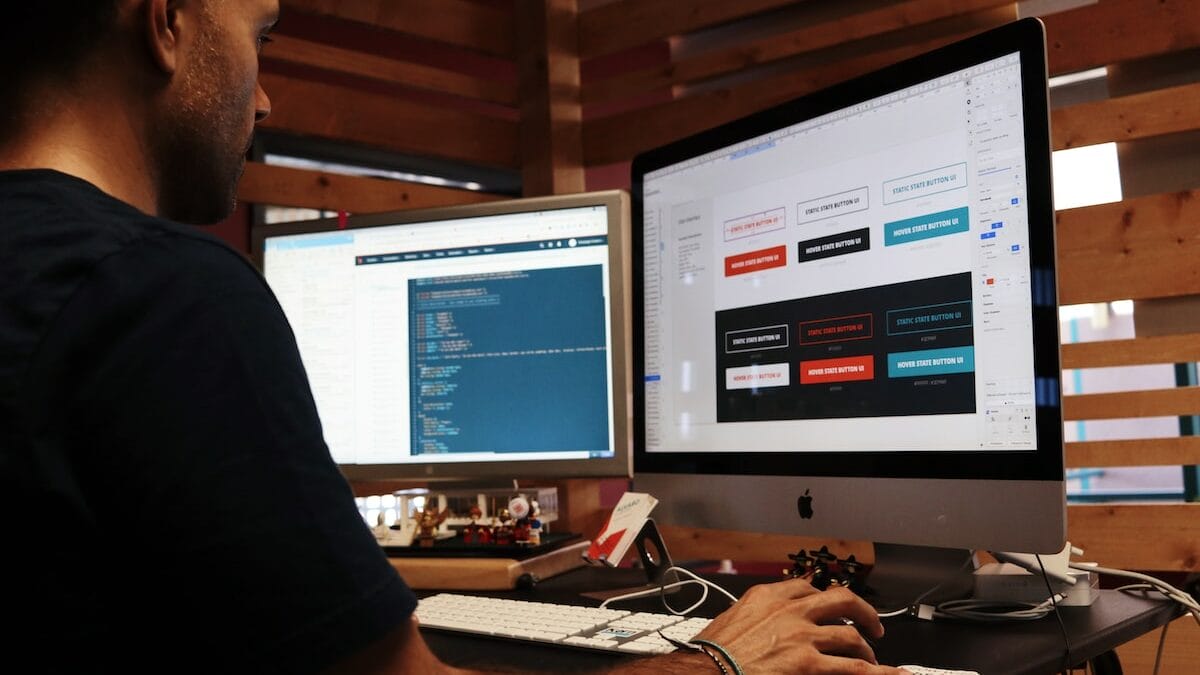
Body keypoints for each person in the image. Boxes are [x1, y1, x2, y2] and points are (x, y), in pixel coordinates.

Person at [0, 2, 904, 673]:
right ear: (166, 21)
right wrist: (723, 662)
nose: (265, 95)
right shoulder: (159, 294)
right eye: (260, 35)